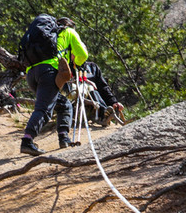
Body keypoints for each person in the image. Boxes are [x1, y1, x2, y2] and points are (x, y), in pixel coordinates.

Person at [19, 16, 89, 156]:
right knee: (44, 110)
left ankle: (64, 138)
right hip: (49, 72)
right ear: (69, 25)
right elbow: (83, 54)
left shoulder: (48, 34)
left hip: (31, 73)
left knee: (64, 105)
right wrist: (76, 63)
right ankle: (27, 141)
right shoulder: (69, 32)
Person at [81, 60, 125, 127]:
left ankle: (107, 112)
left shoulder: (93, 67)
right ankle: (104, 113)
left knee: (94, 91)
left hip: (95, 99)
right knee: (91, 89)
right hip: (81, 96)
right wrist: (86, 81)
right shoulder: (71, 66)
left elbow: (103, 87)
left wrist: (113, 102)